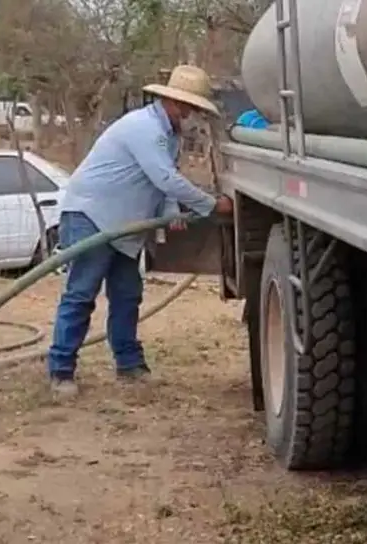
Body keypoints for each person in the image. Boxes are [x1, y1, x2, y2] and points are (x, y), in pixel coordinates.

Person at [46, 65, 234, 398]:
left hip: (126, 226)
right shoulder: (144, 128)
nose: (193, 117)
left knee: (127, 294)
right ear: (175, 104)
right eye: (191, 109)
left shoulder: (170, 135)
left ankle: (129, 365)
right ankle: (61, 371)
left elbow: (159, 184)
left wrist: (170, 211)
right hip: (93, 215)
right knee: (81, 294)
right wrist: (210, 204)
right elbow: (164, 178)